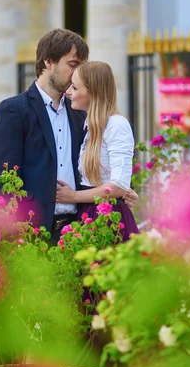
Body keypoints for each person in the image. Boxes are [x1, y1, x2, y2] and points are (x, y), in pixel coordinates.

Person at [0, 29, 137, 245]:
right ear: (49, 61)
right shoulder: (14, 110)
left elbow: (96, 164)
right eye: (73, 64)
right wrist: (13, 233)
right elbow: (4, 181)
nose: (79, 72)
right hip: (33, 233)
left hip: (79, 228)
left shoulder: (80, 113)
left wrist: (120, 191)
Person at [56, 61, 139, 240]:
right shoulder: (90, 126)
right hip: (88, 214)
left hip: (108, 217)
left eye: (75, 88)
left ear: (93, 92)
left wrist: (73, 196)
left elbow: (118, 185)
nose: (68, 92)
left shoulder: (116, 124)